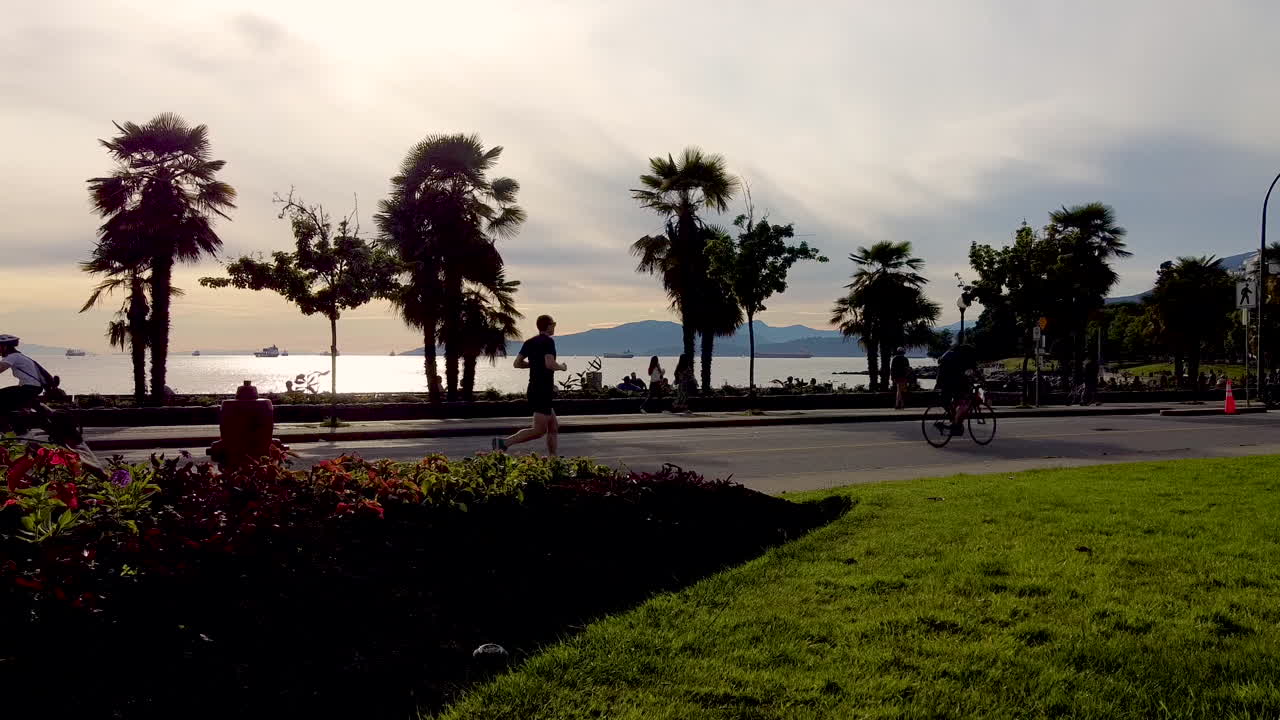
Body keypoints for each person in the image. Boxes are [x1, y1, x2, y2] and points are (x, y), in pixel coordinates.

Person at [492, 315, 567, 456]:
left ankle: (553, 459)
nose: (555, 326)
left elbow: (517, 363)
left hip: (536, 388)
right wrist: (562, 367)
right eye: (554, 324)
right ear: (548, 325)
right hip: (541, 390)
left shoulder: (529, 342)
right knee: (539, 431)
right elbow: (550, 364)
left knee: (553, 427)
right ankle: (503, 443)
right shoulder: (548, 342)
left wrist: (533, 364)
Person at [935, 343, 978, 436]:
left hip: (943, 381)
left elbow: (963, 373)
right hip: (953, 382)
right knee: (964, 403)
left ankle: (953, 420)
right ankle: (955, 424)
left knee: (950, 401)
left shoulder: (950, 354)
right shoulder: (967, 357)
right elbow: (971, 372)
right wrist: (981, 381)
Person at [0, 335, 49, 414]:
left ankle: (7, 423)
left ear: (5, 347)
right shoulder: (18, 356)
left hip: (28, 388)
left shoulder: (13, 357)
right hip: (32, 388)